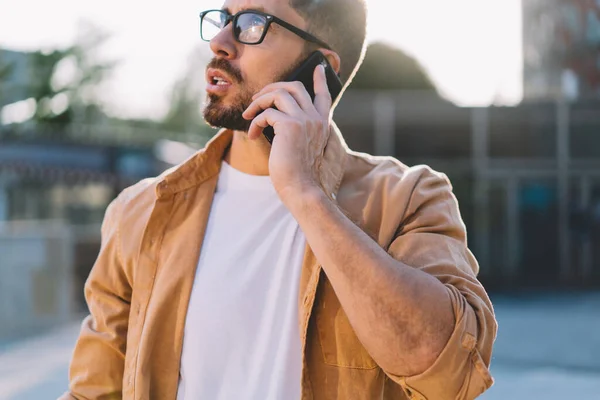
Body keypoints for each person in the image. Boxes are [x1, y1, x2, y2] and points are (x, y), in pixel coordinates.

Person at [61, 0, 497, 399]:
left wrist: (305, 194)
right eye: (224, 18)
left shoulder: (407, 198)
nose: (220, 41)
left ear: (319, 69)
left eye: (252, 23)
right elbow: (92, 392)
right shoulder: (139, 212)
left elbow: (451, 372)